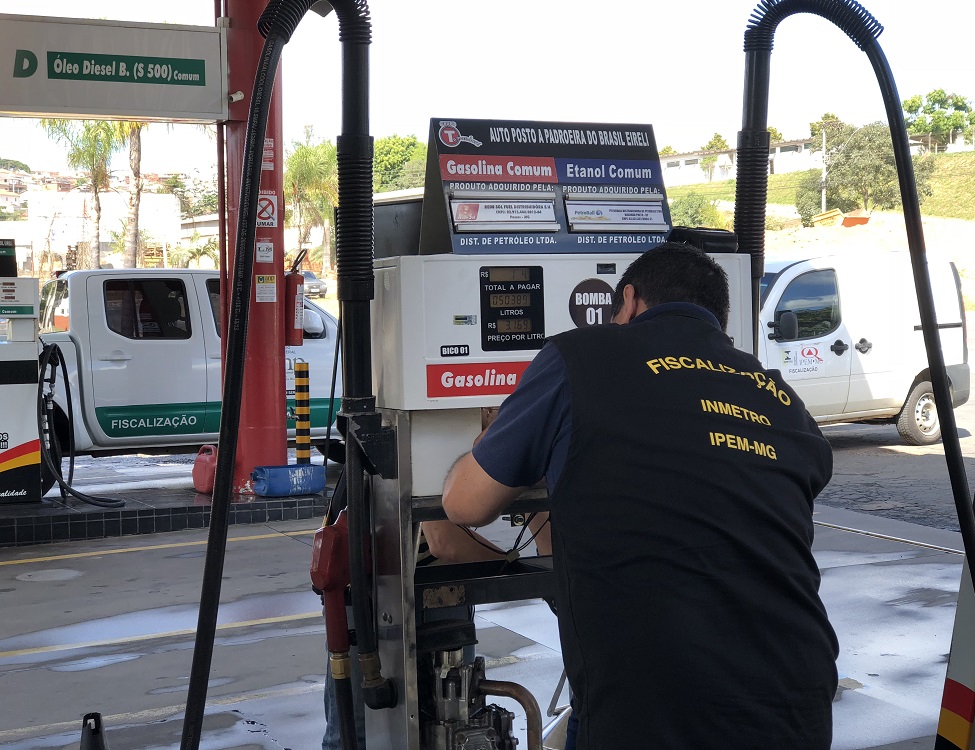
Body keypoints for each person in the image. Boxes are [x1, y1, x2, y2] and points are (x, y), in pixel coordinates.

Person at [442, 241, 839, 750]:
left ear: (628, 301)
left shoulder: (580, 357)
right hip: (796, 696)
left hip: (654, 703)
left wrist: (488, 447)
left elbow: (464, 505)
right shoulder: (782, 399)